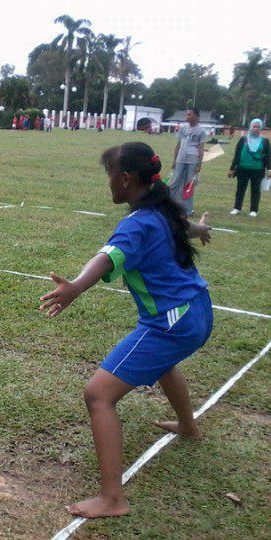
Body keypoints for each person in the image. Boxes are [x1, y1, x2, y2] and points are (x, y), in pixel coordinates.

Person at [40, 142, 213, 519]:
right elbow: (183, 224)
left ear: (125, 178)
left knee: (98, 394)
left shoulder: (137, 222)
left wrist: (74, 287)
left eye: (110, 176)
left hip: (172, 322)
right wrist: (200, 229)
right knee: (163, 364)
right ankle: (187, 426)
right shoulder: (161, 208)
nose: (109, 184)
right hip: (198, 312)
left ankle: (112, 499)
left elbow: (108, 257)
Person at [228, 118, 271, 217]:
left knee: (255, 190)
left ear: (260, 128)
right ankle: (237, 208)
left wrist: (269, 169)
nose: (255, 128)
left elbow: (268, 157)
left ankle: (253, 210)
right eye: (254, 126)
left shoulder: (264, 141)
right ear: (250, 127)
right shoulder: (243, 139)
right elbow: (237, 154)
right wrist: (232, 168)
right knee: (240, 189)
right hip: (242, 169)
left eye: (258, 127)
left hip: (258, 170)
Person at [170, 108, 206, 216]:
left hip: (193, 160)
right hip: (181, 159)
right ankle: (170, 206)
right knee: (174, 183)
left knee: (189, 185)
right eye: (187, 114)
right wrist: (174, 160)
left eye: (189, 115)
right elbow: (178, 144)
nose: (187, 116)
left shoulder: (201, 131)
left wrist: (199, 164)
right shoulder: (183, 128)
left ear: (196, 116)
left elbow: (201, 148)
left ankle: (187, 210)